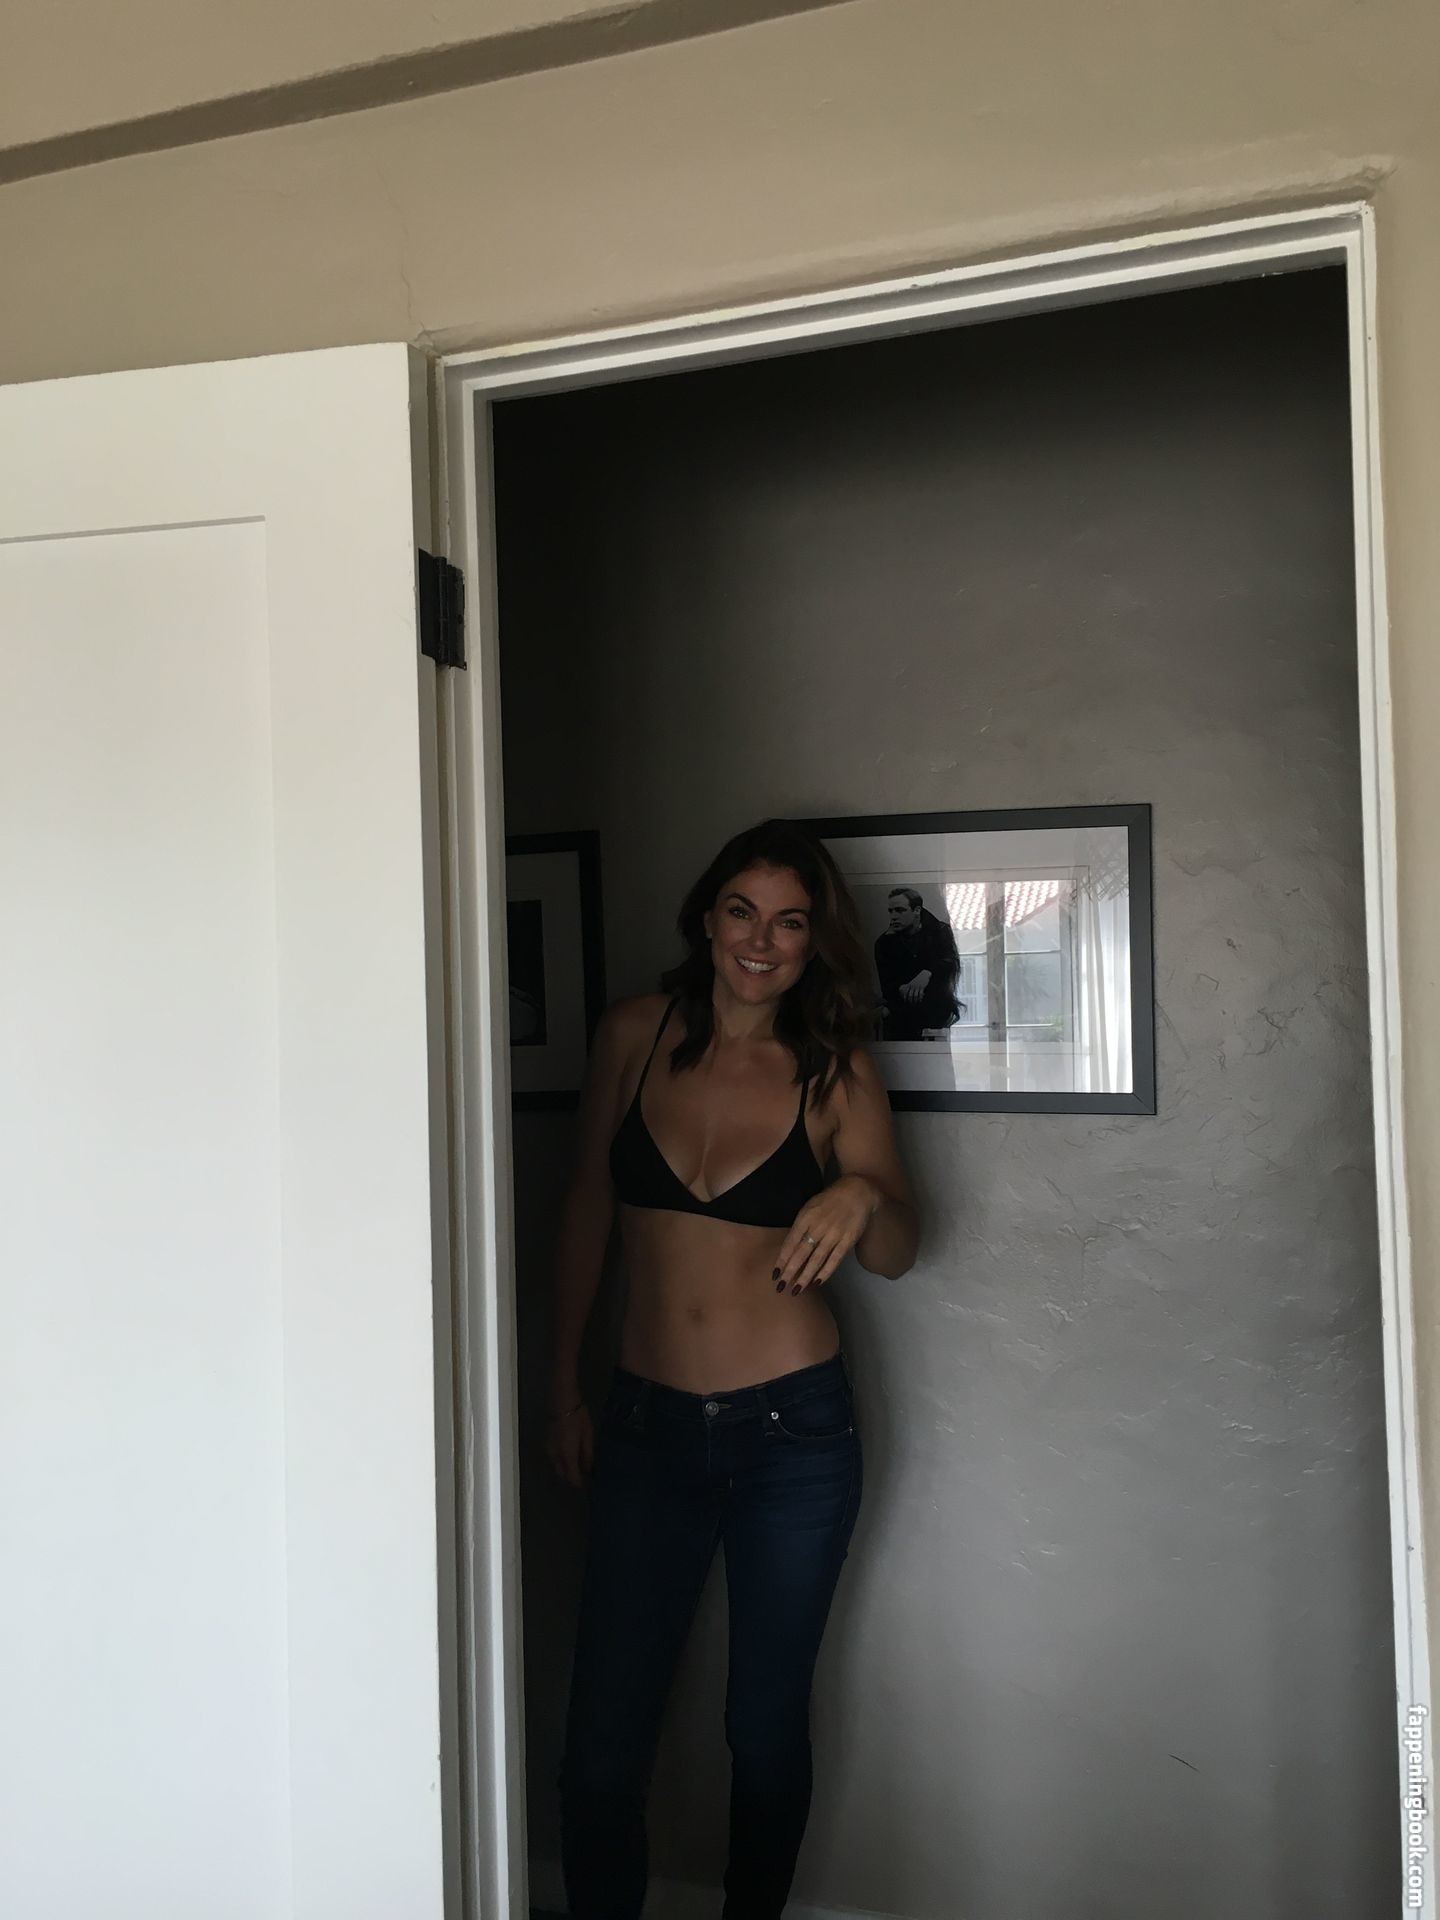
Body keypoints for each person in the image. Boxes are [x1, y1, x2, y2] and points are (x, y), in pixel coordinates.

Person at [545, 817, 919, 1920]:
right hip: (644, 1426)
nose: (760, 941)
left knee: (762, 1729)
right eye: (743, 912)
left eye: (789, 923)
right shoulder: (633, 1033)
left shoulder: (836, 1071)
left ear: (813, 942)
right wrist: (560, 1387)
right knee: (602, 1741)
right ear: (706, 917)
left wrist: (862, 1195)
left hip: (793, 1438)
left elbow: (900, 1255)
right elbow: (586, 1210)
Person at [873, 886, 962, 1040]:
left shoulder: (939, 931)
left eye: (900, 910)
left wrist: (927, 973)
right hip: (900, 1018)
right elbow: (887, 984)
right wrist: (903, 989)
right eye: (891, 911)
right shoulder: (884, 942)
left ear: (917, 911)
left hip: (937, 1015)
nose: (893, 916)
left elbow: (951, 962)